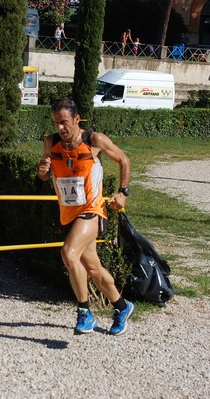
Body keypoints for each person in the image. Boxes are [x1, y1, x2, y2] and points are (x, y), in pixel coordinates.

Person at [37, 99, 134, 336]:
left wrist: (123, 192)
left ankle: (84, 312)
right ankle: (122, 306)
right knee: (93, 267)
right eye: (56, 123)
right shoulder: (51, 143)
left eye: (64, 123)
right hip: (68, 214)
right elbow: (46, 175)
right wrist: (42, 172)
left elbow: (124, 160)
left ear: (77, 119)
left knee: (69, 253)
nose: (60, 128)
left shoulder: (94, 141)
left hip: (92, 210)